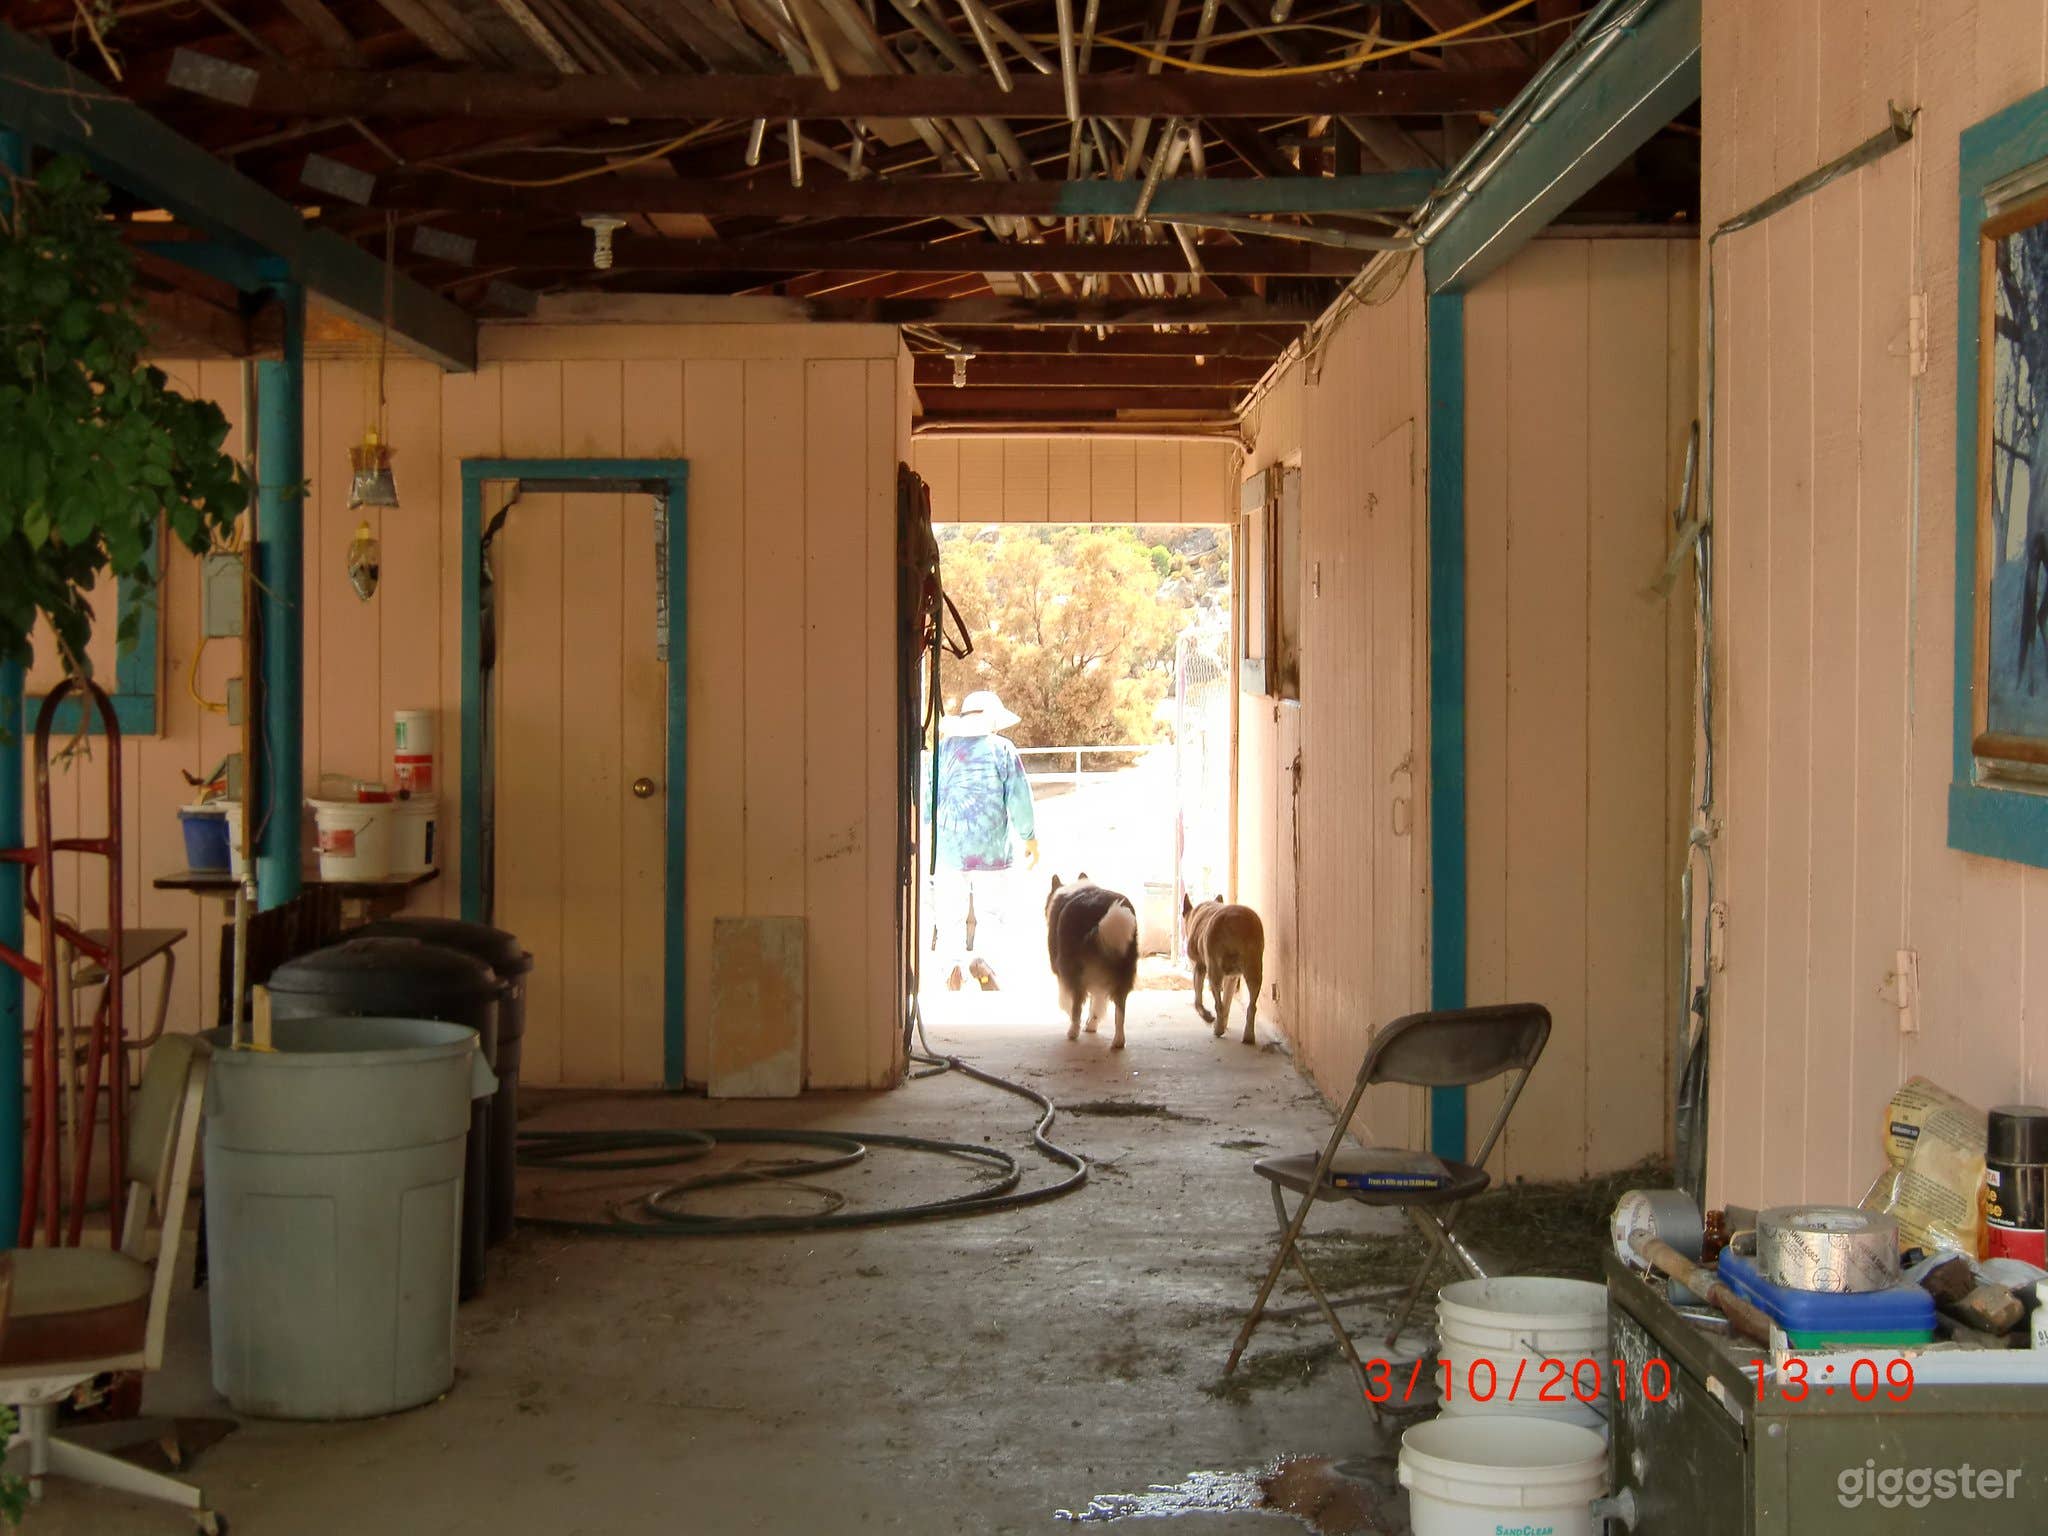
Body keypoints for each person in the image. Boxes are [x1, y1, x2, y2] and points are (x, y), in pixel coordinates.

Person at [925, 690, 1039, 991]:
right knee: (992, 912)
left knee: (950, 913)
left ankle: (952, 966)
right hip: (992, 849)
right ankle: (983, 961)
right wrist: (1029, 837)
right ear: (991, 721)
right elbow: (1018, 797)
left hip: (949, 847)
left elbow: (927, 795)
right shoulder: (1002, 749)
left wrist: (925, 824)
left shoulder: (944, 750)